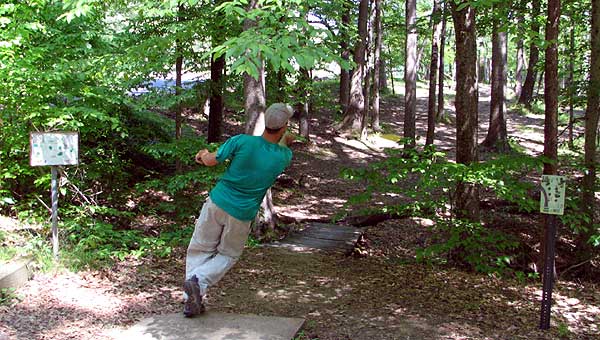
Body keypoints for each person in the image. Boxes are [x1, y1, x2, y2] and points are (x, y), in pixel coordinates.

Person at [183, 103, 295, 317]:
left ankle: (191, 297)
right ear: (284, 127)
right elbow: (281, 144)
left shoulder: (241, 141)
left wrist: (202, 155)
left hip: (217, 202)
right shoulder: (283, 156)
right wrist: (285, 137)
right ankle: (198, 285)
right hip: (242, 213)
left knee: (200, 248)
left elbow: (210, 161)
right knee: (228, 254)